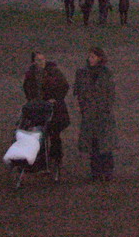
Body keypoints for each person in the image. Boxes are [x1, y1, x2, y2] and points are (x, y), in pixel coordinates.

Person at [73, 47, 117, 182]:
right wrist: (84, 107)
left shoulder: (106, 73)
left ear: (99, 58)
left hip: (103, 114)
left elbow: (110, 93)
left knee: (105, 145)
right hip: (90, 114)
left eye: (92, 57)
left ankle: (107, 171)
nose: (90, 59)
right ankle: (96, 172)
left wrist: (106, 108)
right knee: (93, 145)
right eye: (89, 57)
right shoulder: (82, 73)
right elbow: (78, 91)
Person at [22, 52, 71, 168]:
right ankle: (42, 160)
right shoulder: (30, 75)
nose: (42, 62)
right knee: (40, 134)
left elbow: (64, 85)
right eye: (38, 60)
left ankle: (56, 159)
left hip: (54, 109)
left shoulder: (53, 71)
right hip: (38, 109)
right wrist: (32, 100)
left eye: (43, 59)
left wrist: (56, 98)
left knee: (54, 134)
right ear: (34, 62)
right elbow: (27, 88)